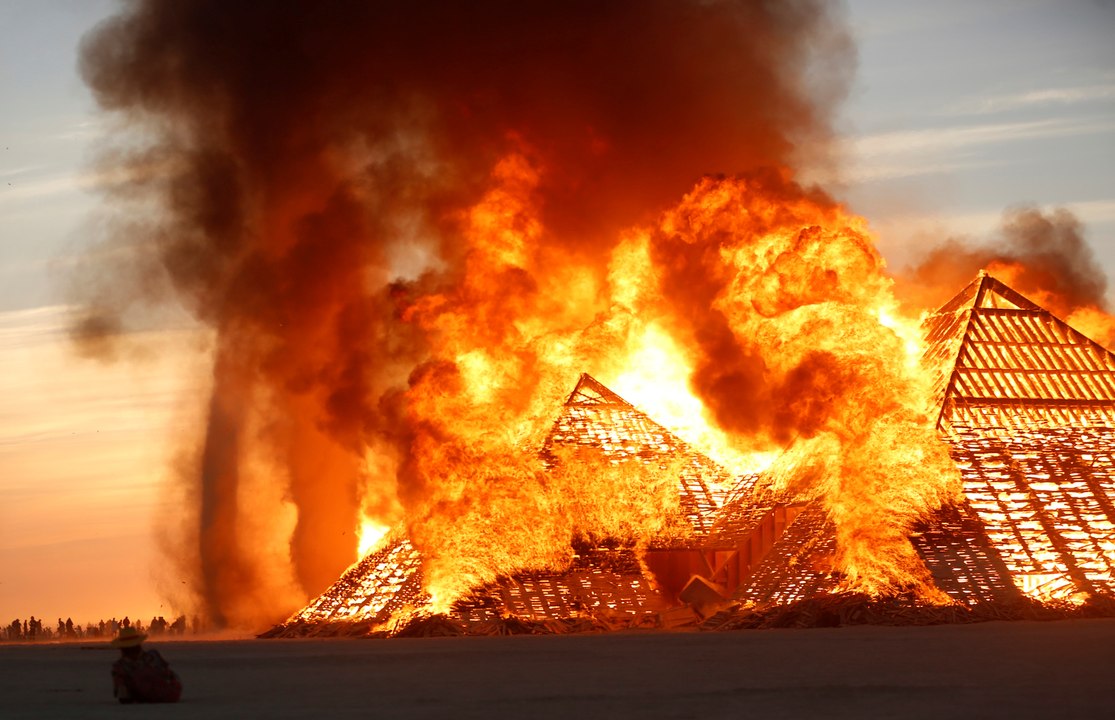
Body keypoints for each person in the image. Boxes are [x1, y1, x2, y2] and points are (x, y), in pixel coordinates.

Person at [110, 626, 182, 703]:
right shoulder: (153, 655)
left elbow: (123, 698)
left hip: (145, 696)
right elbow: (170, 674)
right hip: (170, 694)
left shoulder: (121, 666)